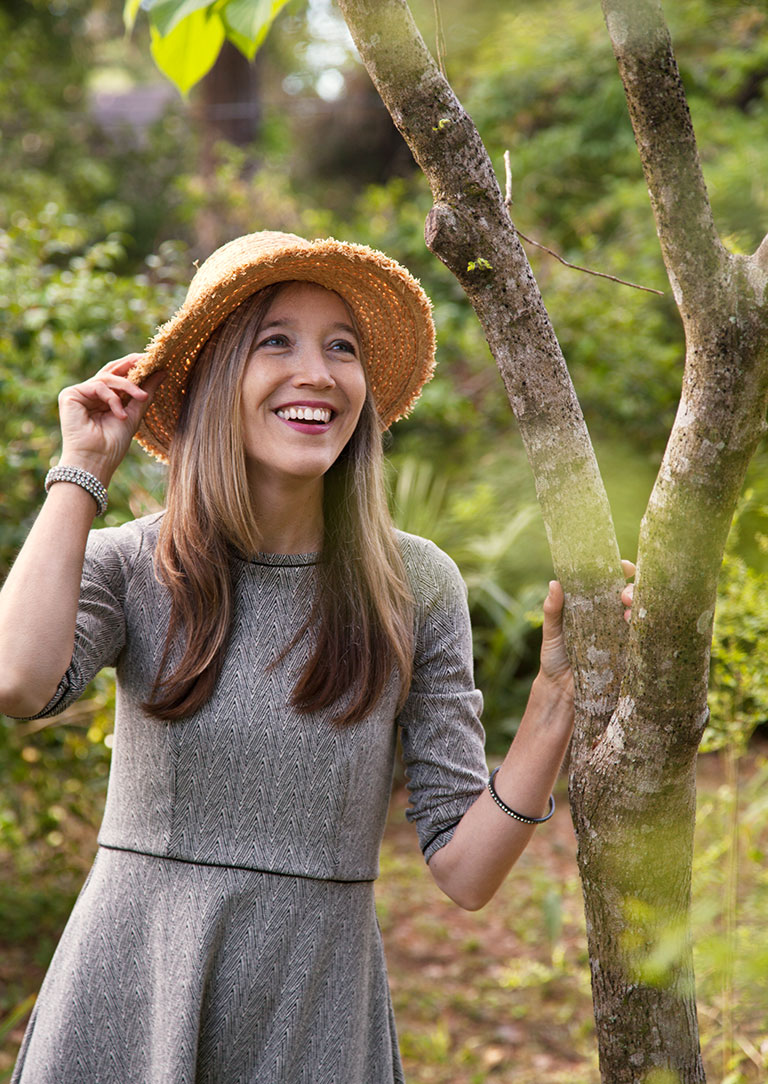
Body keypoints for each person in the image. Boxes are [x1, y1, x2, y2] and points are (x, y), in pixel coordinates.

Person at [0, 231, 631, 1084]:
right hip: (133, 995)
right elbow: (15, 679)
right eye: (277, 341)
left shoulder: (415, 585)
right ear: (219, 374)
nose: (320, 373)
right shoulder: (132, 565)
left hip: (314, 1013)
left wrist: (557, 698)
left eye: (343, 346)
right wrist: (81, 470)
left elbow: (467, 872)